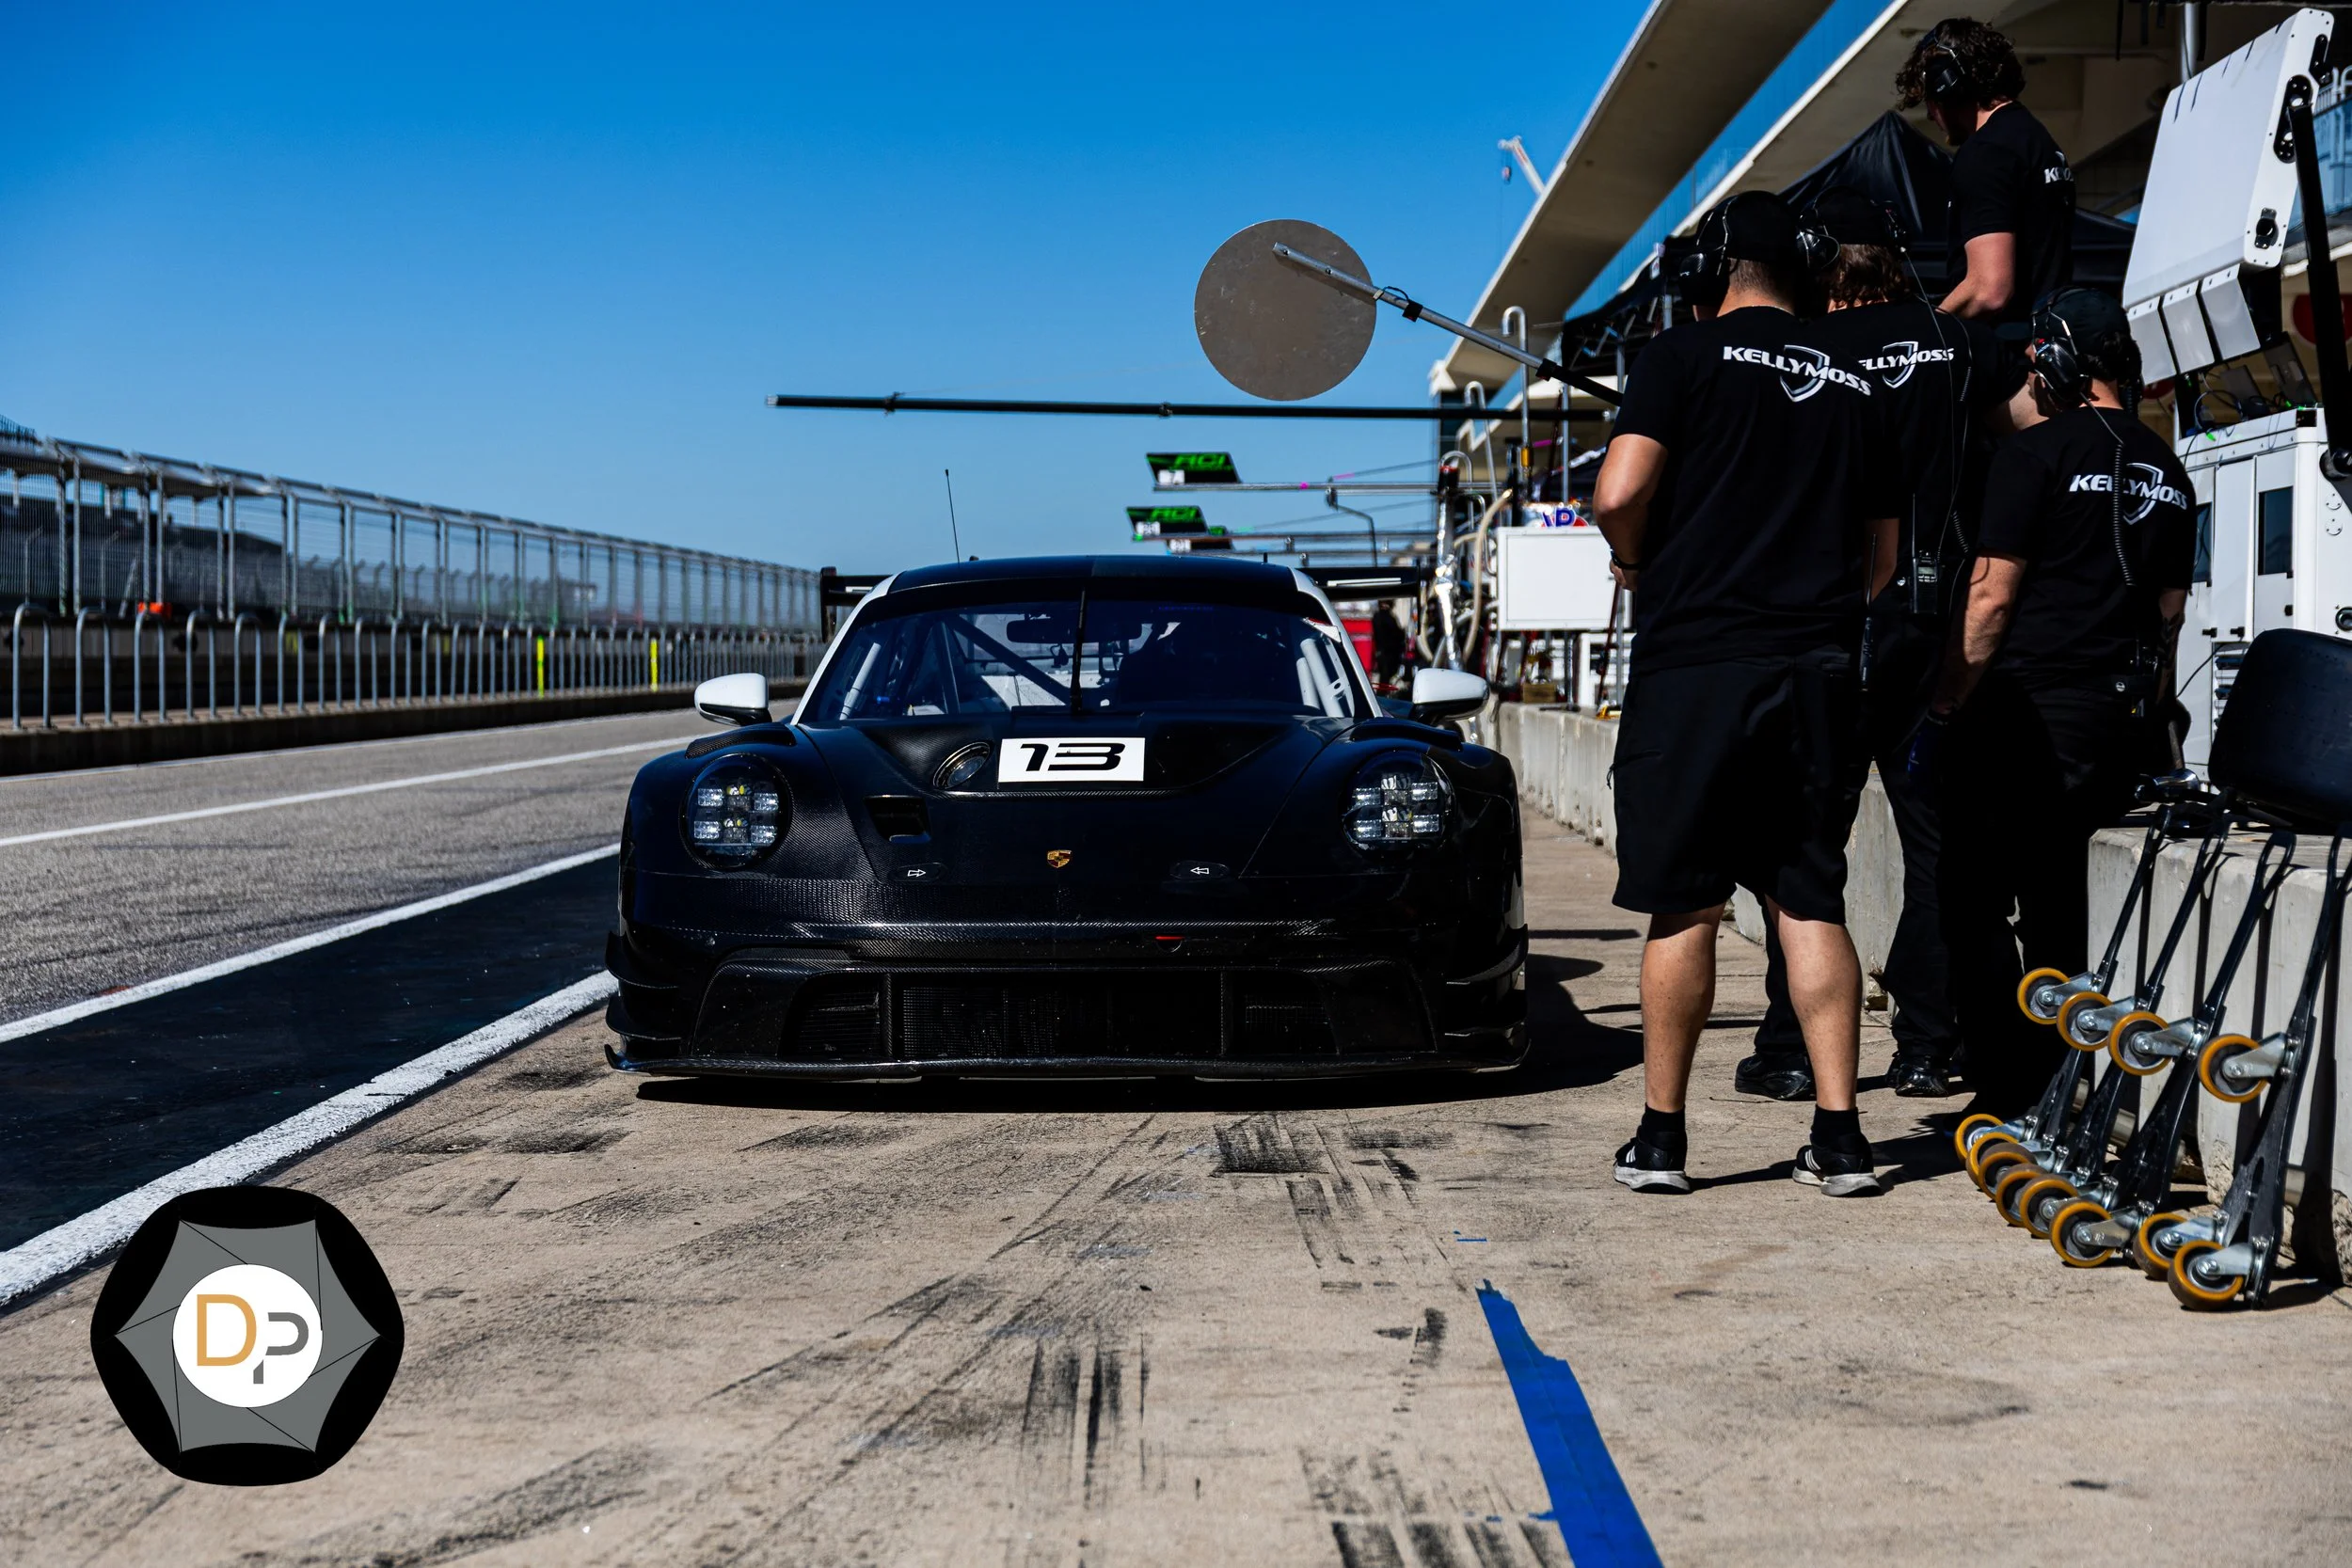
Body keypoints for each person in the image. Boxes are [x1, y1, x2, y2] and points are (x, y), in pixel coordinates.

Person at [1593, 191, 1901, 1197]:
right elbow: (1883, 557)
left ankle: (1661, 1141)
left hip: (1697, 668)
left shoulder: (1678, 357)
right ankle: (1842, 1139)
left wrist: (1639, 559)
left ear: (1716, 271)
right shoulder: (1854, 379)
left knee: (1685, 902)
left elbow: (1618, 492)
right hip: (1816, 673)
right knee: (1808, 898)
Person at [1737, 185, 2026, 1102]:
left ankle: (1790, 1047)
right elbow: (2029, 440)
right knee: (1935, 842)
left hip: (1829, 624)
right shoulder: (1961, 345)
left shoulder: (1808, 354)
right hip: (1934, 628)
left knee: (1802, 841)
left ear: (1823, 267)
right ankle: (1928, 1044)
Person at [1910, 287, 2192, 1117]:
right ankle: (2061, 1082)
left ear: (2064, 363)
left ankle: (2012, 1086)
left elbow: (1991, 597)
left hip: (2027, 716)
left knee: (1968, 896)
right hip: (2120, 725)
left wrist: (1943, 706)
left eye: (2039, 359)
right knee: (2062, 912)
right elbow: (2170, 616)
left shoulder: (2031, 456)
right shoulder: (2169, 471)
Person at [1897, 19, 2074, 326]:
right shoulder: (2036, 139)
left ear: (1947, 85)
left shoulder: (1986, 152)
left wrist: (1929, 331)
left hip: (2010, 348)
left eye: (1929, 99)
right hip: (2046, 337)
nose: (1930, 114)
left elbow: (1988, 290)